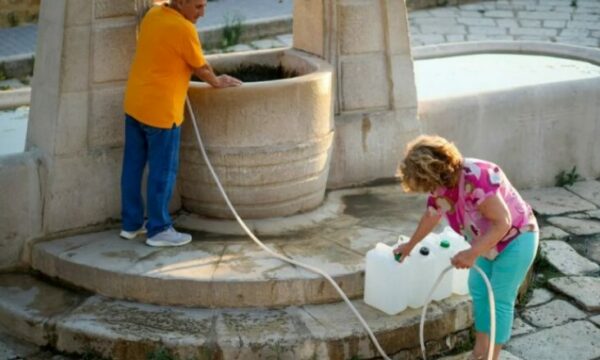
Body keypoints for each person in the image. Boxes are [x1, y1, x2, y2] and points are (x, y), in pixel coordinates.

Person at [393, 135, 538, 360]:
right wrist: (410, 245)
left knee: (499, 298)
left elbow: (503, 222)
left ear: (437, 171)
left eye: (428, 184)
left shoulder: (477, 177)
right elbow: (431, 216)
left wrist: (471, 253)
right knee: (478, 290)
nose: (429, 191)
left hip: (517, 238)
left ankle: (492, 356)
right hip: (486, 242)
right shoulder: (440, 186)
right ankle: (480, 351)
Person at [120, 0, 242, 247]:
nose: (202, 13)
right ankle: (159, 229)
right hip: (162, 114)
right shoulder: (184, 29)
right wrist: (216, 82)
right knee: (162, 172)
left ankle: (131, 225)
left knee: (132, 167)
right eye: (197, 6)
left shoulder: (154, 14)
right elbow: (201, 67)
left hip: (135, 104)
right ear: (182, 3)